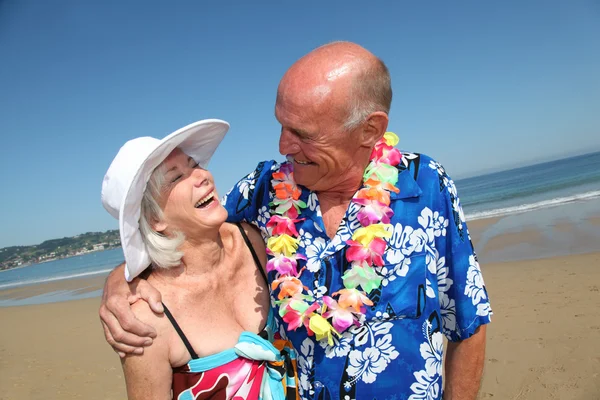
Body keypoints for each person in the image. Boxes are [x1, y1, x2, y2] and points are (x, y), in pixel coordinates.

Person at [100, 42, 492, 399]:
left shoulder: (426, 186)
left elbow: (468, 322)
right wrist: (121, 281)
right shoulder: (265, 191)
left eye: (302, 133)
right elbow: (189, 231)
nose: (283, 146)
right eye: (281, 125)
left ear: (369, 130)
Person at [100, 119, 298, 399]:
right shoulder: (148, 320)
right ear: (155, 218)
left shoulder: (255, 240)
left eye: (194, 165)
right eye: (176, 177)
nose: (201, 175)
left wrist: (118, 277)